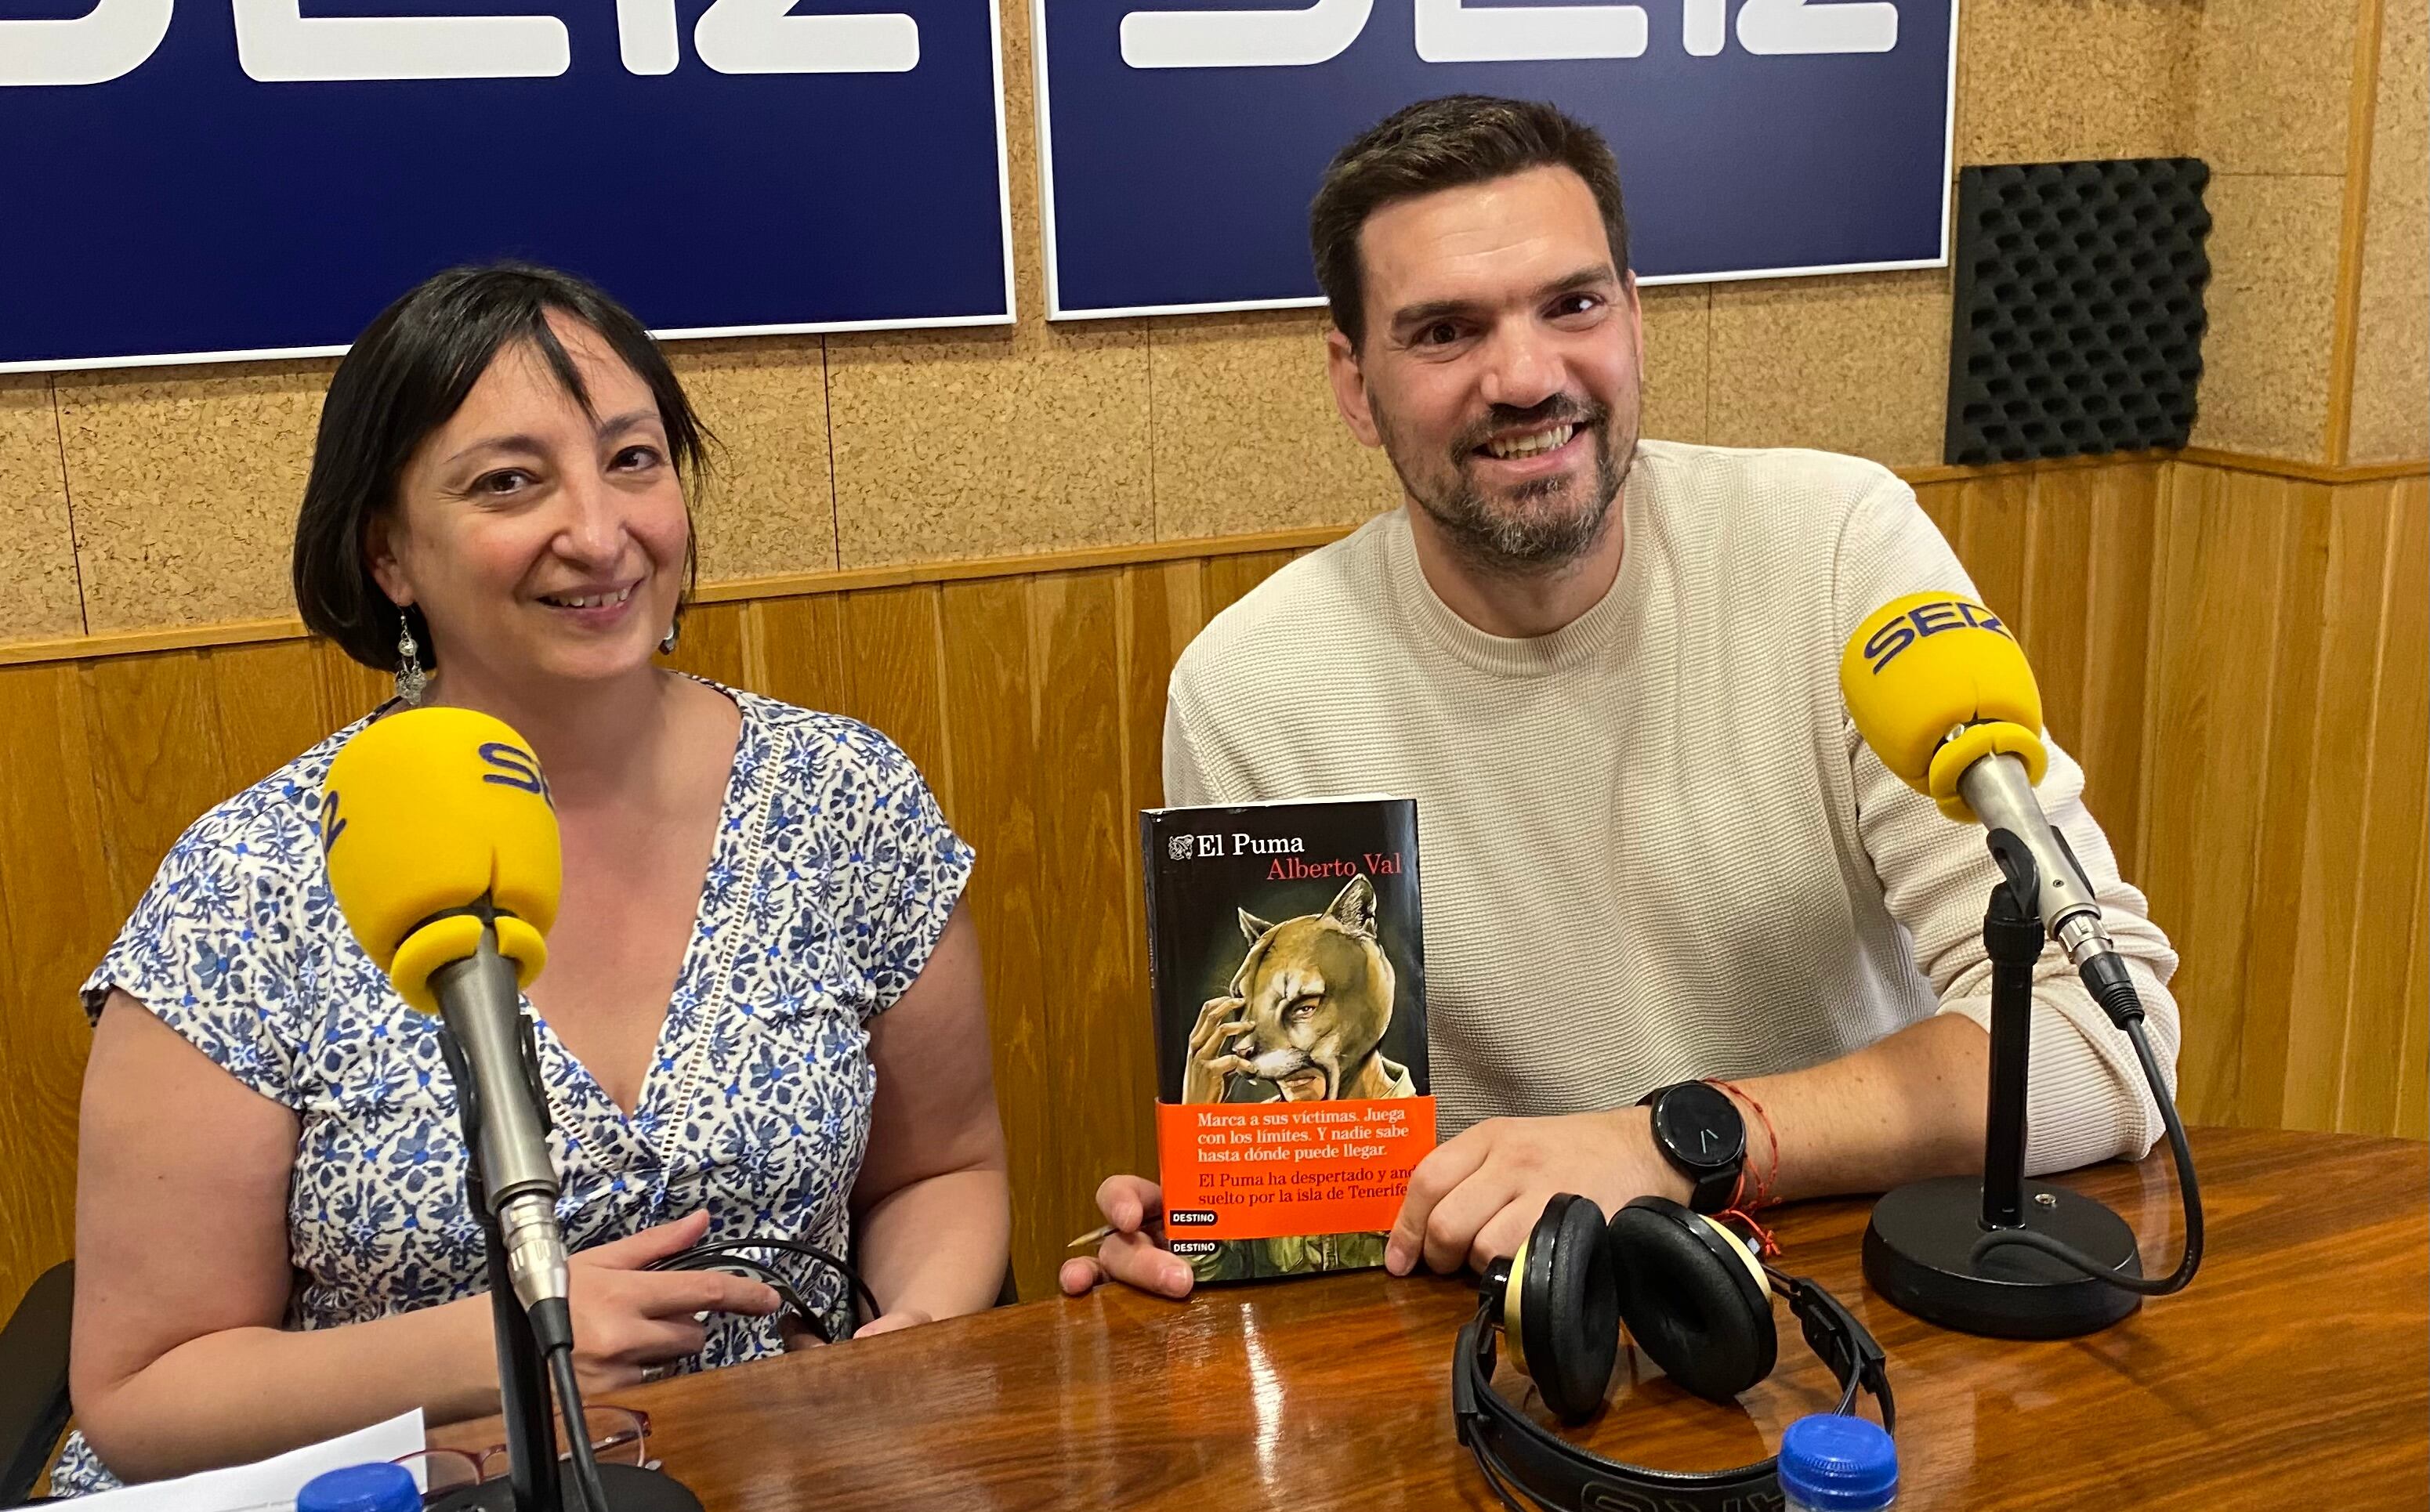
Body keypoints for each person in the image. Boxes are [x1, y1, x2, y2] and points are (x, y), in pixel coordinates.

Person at [1062, 95, 2180, 1300]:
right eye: (1444, 330)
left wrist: (1673, 1141)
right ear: (1352, 380)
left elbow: (2101, 1043)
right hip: (1503, 1332)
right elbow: (1334, 1167)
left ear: (1635, 319)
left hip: (1859, 1298)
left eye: (1572, 304)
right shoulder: (1252, 687)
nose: (1527, 375)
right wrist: (1247, 1208)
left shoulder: (1837, 552)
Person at [60, 265, 1010, 1492]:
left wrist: (904, 1342)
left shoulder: (845, 797)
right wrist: (495, 1343)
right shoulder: (252, 881)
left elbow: (942, 1169)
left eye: (632, 459)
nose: (600, 532)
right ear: (389, 552)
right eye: (509, 481)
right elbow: (143, 1391)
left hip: (768, 1473)